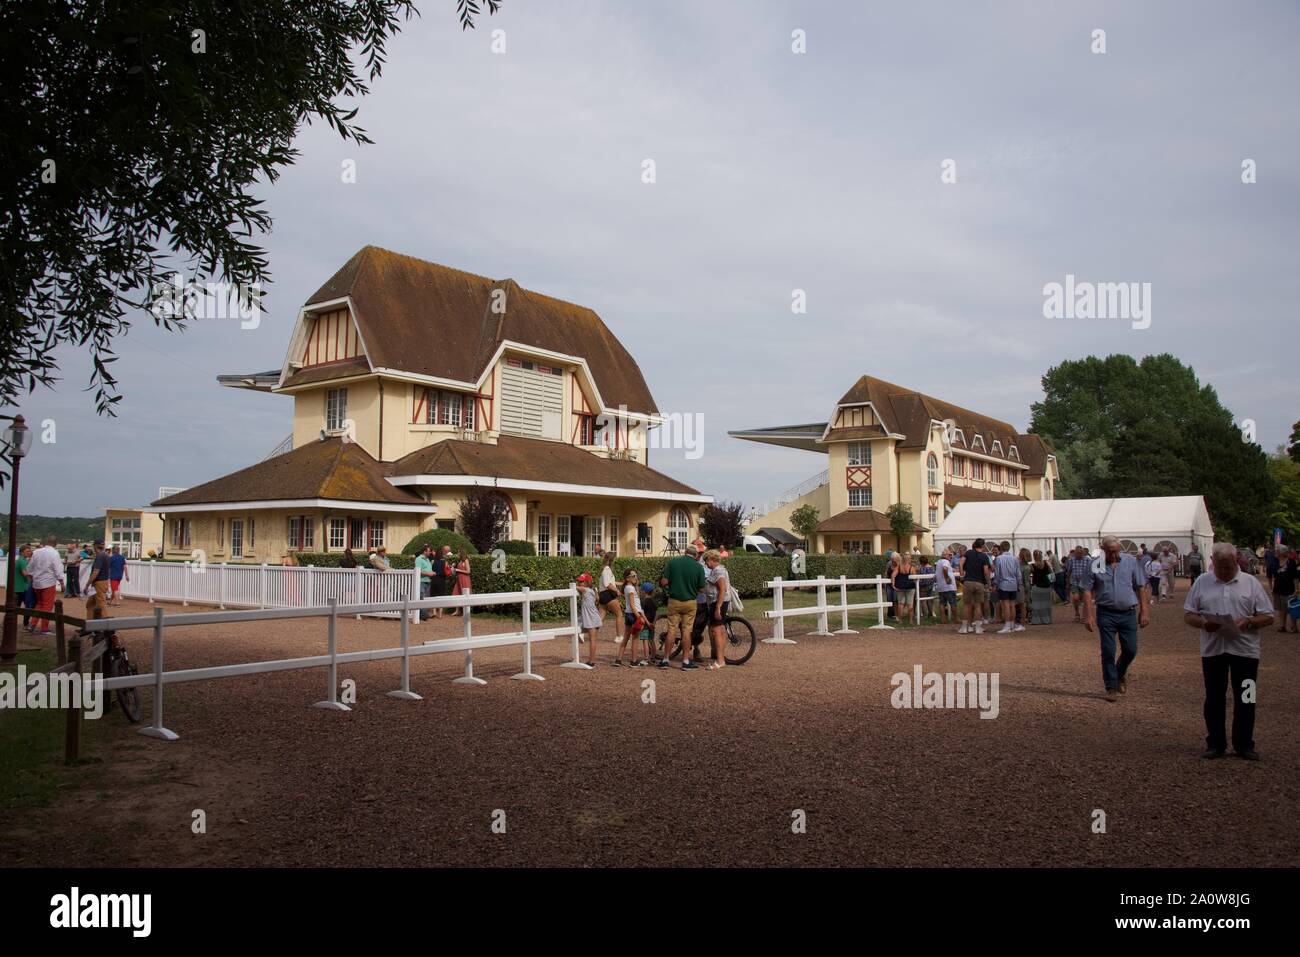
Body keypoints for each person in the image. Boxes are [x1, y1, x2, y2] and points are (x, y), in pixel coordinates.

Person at [1183, 542, 1273, 759]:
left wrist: (1249, 622)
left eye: (1228, 567)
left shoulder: (1250, 583)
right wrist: (1204, 624)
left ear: (1237, 561)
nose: (1224, 572)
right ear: (1213, 561)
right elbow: (1189, 615)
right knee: (1214, 697)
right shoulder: (1202, 582)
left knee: (1247, 697)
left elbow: (1268, 616)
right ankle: (1215, 743)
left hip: (1247, 652)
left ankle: (1244, 744)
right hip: (1213, 651)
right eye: (1220, 567)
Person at [1084, 536, 1150, 702]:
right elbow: (1087, 589)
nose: (1114, 555)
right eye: (1110, 552)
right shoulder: (1095, 564)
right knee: (1108, 650)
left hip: (1128, 612)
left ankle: (1119, 673)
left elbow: (1141, 586)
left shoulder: (1130, 562)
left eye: (1116, 551)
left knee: (1131, 649)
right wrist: (1089, 615)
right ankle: (1111, 687)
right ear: (1103, 549)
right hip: (1106, 613)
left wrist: (1144, 611)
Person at [659, 544, 706, 670]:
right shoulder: (698, 567)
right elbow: (702, 589)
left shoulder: (673, 562)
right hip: (690, 602)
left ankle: (665, 660)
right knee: (687, 631)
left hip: (674, 600)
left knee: (672, 629)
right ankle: (685, 661)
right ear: (695, 555)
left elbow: (664, 582)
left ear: (685, 552)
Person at [702, 549, 732, 670]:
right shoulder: (720, 569)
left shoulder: (717, 571)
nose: (705, 563)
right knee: (721, 630)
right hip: (720, 601)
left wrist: (718, 607)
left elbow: (722, 588)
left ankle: (719, 660)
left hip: (717, 602)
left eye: (706, 560)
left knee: (716, 631)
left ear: (711, 559)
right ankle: (721, 658)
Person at [28, 536, 63, 635]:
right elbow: (58, 569)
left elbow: (30, 567)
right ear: (55, 543)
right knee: (48, 606)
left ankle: (32, 624)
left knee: (39, 604)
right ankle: (44, 628)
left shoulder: (37, 552)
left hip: (36, 582)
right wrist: (62, 582)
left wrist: (32, 578)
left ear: (47, 542)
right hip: (48, 582)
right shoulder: (54, 553)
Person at [957, 539, 991, 635]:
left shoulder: (969, 553)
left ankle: (964, 627)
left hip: (968, 581)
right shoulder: (985, 556)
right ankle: (978, 627)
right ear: (983, 546)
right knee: (978, 605)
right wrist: (989, 583)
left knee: (967, 605)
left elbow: (960, 563)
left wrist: (961, 573)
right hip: (979, 583)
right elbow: (985, 571)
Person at [616, 569, 647, 667]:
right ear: (627, 578)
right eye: (633, 576)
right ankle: (633, 661)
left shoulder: (628, 587)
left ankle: (618, 659)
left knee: (626, 637)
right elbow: (633, 604)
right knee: (635, 638)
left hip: (629, 614)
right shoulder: (630, 588)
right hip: (634, 614)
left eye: (636, 575)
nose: (635, 577)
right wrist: (639, 617)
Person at [993, 540, 1023, 634]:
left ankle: (1007, 625)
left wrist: (995, 583)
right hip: (1013, 584)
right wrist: (1018, 583)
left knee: (1005, 605)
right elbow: (1018, 573)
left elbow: (997, 573)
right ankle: (1012, 624)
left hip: (1003, 584)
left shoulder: (999, 559)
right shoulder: (1015, 559)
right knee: (1012, 605)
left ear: (1001, 548)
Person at [1270, 545, 1297, 634]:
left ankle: (1294, 626)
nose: (1275, 552)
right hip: (1278, 588)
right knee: (1281, 608)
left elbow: (1295, 577)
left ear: (1282, 552)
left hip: (1289, 588)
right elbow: (1275, 577)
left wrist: (1296, 590)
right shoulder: (1276, 562)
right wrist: (1273, 589)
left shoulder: (1291, 562)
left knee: (1291, 608)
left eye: (1277, 551)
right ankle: (1282, 626)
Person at [576, 572, 601, 666]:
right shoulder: (591, 590)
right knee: (592, 639)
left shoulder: (585, 590)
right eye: (579, 581)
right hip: (593, 617)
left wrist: (574, 586)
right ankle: (591, 660)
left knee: (592, 640)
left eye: (582, 582)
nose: (579, 583)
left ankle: (592, 661)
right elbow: (598, 598)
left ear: (586, 583)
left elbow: (576, 588)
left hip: (592, 619)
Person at [1066, 545, 1094, 623]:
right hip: (1075, 582)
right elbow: (1069, 572)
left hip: (1085, 583)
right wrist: (1067, 583)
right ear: (1075, 553)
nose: (1079, 554)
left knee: (1086, 600)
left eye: (1081, 553)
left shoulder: (1088, 560)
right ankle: (1077, 613)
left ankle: (1084, 616)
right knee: (1075, 598)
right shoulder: (1071, 560)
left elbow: (1091, 572)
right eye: (1078, 553)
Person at [84, 540, 111, 620]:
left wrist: (87, 584)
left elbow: (96, 571)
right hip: (102, 581)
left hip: (99, 583)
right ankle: (90, 624)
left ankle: (106, 626)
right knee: (90, 604)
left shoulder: (100, 556)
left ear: (95, 546)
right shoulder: (106, 555)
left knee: (100, 604)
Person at [597, 553, 621, 638]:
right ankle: (619, 636)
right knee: (619, 614)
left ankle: (584, 632)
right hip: (608, 594)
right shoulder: (607, 569)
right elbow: (607, 584)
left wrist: (619, 583)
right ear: (611, 560)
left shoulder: (604, 569)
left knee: (600, 618)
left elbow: (609, 582)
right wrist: (617, 590)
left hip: (602, 595)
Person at [1029, 550, 1053, 625]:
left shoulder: (1032, 566)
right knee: (1046, 605)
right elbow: (1052, 577)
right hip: (1046, 587)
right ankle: (1046, 620)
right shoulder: (1047, 563)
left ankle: (1036, 620)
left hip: (1036, 587)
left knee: (1036, 605)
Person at [15, 544, 36, 631]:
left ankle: (8, 624)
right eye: (27, 551)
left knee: (16, 607)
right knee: (29, 605)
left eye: (29, 551)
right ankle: (26, 624)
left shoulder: (20, 560)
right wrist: (34, 575)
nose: (29, 552)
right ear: (22, 552)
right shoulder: (22, 561)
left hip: (18, 587)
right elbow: (25, 573)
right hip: (22, 587)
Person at [934, 548, 958, 624]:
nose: (951, 556)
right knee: (953, 603)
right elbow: (945, 569)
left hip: (941, 587)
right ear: (945, 555)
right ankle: (955, 618)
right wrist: (947, 577)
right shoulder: (946, 561)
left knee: (942, 603)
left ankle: (943, 619)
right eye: (949, 555)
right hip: (948, 587)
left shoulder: (938, 562)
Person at [892, 552, 917, 621]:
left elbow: (893, 575)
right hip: (910, 587)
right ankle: (911, 620)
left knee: (900, 603)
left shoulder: (899, 566)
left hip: (900, 586)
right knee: (910, 604)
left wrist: (893, 584)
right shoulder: (911, 567)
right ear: (909, 559)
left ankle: (900, 620)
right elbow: (915, 577)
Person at [639, 581, 659, 660]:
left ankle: (646, 658)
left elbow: (642, 613)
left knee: (645, 641)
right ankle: (653, 657)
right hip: (652, 625)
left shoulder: (643, 601)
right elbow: (657, 612)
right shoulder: (653, 601)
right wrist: (653, 623)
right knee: (652, 640)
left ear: (644, 591)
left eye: (641, 590)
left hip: (645, 625)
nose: (640, 592)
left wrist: (647, 622)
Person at [415, 544, 435, 621]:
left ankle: (424, 615)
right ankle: (423, 616)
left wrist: (431, 572)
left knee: (426, 598)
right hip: (421, 581)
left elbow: (427, 569)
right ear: (425, 551)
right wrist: (428, 573)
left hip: (427, 581)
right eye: (429, 551)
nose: (430, 553)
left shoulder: (427, 559)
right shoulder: (419, 559)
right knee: (421, 598)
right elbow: (418, 570)